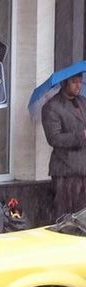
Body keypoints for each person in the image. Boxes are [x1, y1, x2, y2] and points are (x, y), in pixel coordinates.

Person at [41, 72, 86, 217]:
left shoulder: (83, 102)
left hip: (83, 170)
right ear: (64, 83)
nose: (78, 86)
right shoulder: (52, 107)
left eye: (80, 82)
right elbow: (54, 138)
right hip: (65, 171)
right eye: (74, 82)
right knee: (65, 215)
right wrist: (80, 136)